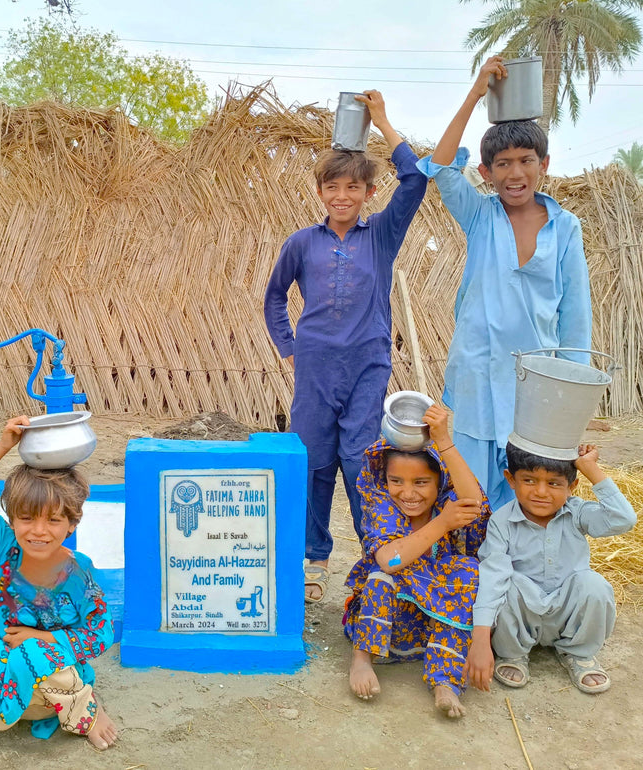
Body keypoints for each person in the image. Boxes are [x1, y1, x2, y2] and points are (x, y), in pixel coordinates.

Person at [264, 91, 428, 603]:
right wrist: (289, 347)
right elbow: (274, 297)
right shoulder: (301, 242)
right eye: (332, 186)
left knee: (360, 461)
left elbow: (418, 178)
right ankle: (315, 559)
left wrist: (381, 119)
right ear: (319, 191)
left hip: (367, 364)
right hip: (314, 367)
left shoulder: (381, 234)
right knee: (313, 461)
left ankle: (376, 555)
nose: (341, 196)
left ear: (368, 192)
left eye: (352, 187)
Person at [416, 56, 591, 510]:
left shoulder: (565, 226)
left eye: (526, 161)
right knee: (470, 492)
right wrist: (476, 92)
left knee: (527, 495)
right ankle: (472, 576)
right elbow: (440, 167)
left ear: (544, 163)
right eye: (503, 163)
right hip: (475, 375)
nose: (516, 174)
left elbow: (575, 314)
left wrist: (571, 395)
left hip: (536, 383)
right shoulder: (479, 215)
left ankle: (519, 578)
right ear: (488, 171)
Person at [0, 416, 118, 752]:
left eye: (53, 520)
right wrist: (3, 447)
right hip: (3, 676)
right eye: (26, 518)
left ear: (71, 525)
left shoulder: (79, 572)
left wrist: (40, 639)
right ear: (12, 520)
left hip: (56, 688)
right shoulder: (3, 547)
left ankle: (90, 710)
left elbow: (101, 634)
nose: (38, 530)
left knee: (53, 665)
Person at [344, 404, 490, 718]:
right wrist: (444, 524)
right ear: (385, 480)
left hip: (431, 631)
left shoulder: (446, 505)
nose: (408, 493)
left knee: (468, 570)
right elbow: (388, 559)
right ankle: (361, 660)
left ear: (439, 485)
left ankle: (444, 680)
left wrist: (444, 441)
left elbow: (474, 502)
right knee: (379, 575)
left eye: (421, 483)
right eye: (396, 481)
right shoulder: (384, 508)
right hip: (388, 628)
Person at [465, 443, 636, 695]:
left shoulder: (577, 512)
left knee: (594, 585)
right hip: (523, 615)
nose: (541, 492)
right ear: (511, 480)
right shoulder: (501, 522)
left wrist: (590, 468)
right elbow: (493, 577)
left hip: (565, 612)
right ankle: (512, 654)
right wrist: (480, 640)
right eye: (529, 480)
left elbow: (624, 519)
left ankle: (578, 652)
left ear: (572, 487)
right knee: (506, 584)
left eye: (554, 483)